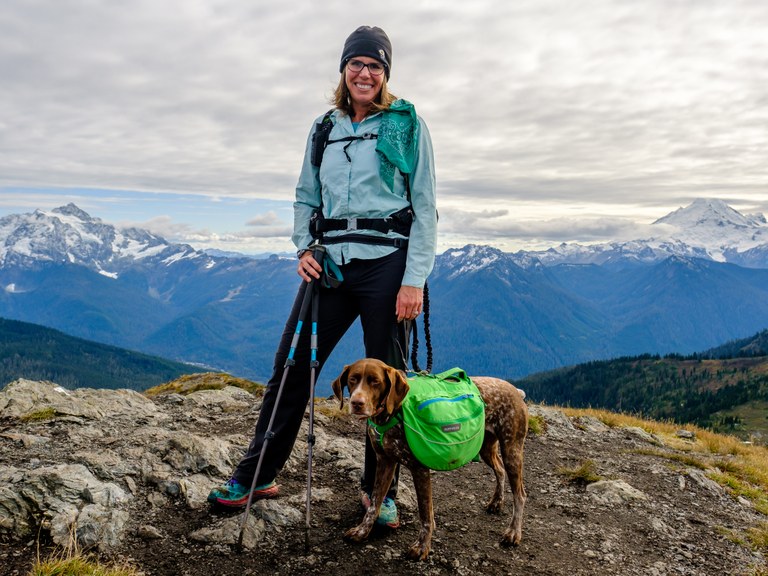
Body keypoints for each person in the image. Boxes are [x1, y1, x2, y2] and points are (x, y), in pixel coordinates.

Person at [208, 25, 437, 528]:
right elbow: (304, 197)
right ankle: (257, 474)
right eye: (357, 64)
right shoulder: (324, 129)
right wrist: (304, 246)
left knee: (388, 386)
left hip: (387, 267)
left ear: (386, 74)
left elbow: (425, 206)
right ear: (343, 70)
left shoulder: (407, 125)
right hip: (329, 265)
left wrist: (414, 280)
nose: (365, 73)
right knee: (291, 367)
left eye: (375, 66)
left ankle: (379, 495)